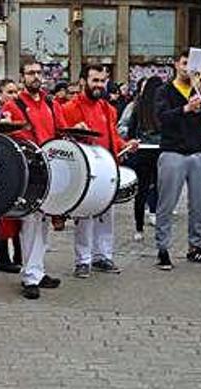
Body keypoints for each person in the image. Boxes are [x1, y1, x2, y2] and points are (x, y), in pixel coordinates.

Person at [62, 65, 139, 278]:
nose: (99, 85)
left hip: (108, 168)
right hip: (86, 170)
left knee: (107, 216)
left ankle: (103, 256)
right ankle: (83, 260)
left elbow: (112, 136)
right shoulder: (69, 108)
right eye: (95, 80)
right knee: (85, 215)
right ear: (82, 82)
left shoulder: (108, 108)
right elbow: (64, 140)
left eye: (102, 81)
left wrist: (126, 144)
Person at [1, 58, 65, 299]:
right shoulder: (14, 105)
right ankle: (29, 276)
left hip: (50, 169)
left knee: (44, 222)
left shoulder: (50, 103)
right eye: (30, 73)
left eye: (39, 72)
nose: (36, 76)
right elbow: (7, 134)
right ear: (22, 78)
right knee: (30, 222)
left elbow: (61, 132)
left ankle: (38, 270)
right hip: (28, 171)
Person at [153, 49, 201, 270]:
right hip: (173, 151)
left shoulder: (200, 91)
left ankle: (195, 246)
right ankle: (163, 249)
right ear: (175, 65)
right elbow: (161, 118)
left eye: (193, 65)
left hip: (199, 151)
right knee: (166, 204)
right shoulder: (164, 91)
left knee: (200, 203)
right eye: (184, 64)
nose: (188, 69)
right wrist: (185, 108)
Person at [0, 79, 24, 271]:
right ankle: (4, 259)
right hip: (3, 168)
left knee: (17, 215)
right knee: (4, 216)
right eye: (10, 92)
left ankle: (18, 255)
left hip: (13, 166)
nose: (14, 95)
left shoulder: (16, 109)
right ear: (0, 95)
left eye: (16, 91)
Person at [126, 76, 163, 241]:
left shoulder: (138, 105)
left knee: (141, 191)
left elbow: (131, 129)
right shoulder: (163, 105)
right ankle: (159, 222)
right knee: (160, 189)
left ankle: (138, 228)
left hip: (142, 151)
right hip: (161, 151)